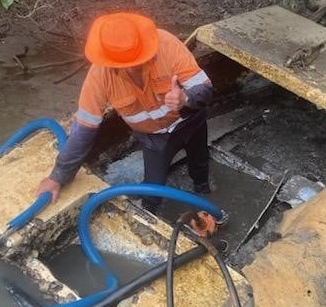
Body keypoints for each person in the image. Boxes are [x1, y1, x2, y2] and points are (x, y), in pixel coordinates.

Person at [36, 12, 213, 213]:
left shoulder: (166, 44)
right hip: (154, 138)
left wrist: (185, 99)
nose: (133, 69)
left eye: (137, 61)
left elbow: (205, 89)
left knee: (200, 162)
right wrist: (58, 176)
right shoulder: (99, 77)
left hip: (191, 120)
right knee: (152, 190)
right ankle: (149, 212)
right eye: (125, 65)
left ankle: (203, 191)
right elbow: (84, 129)